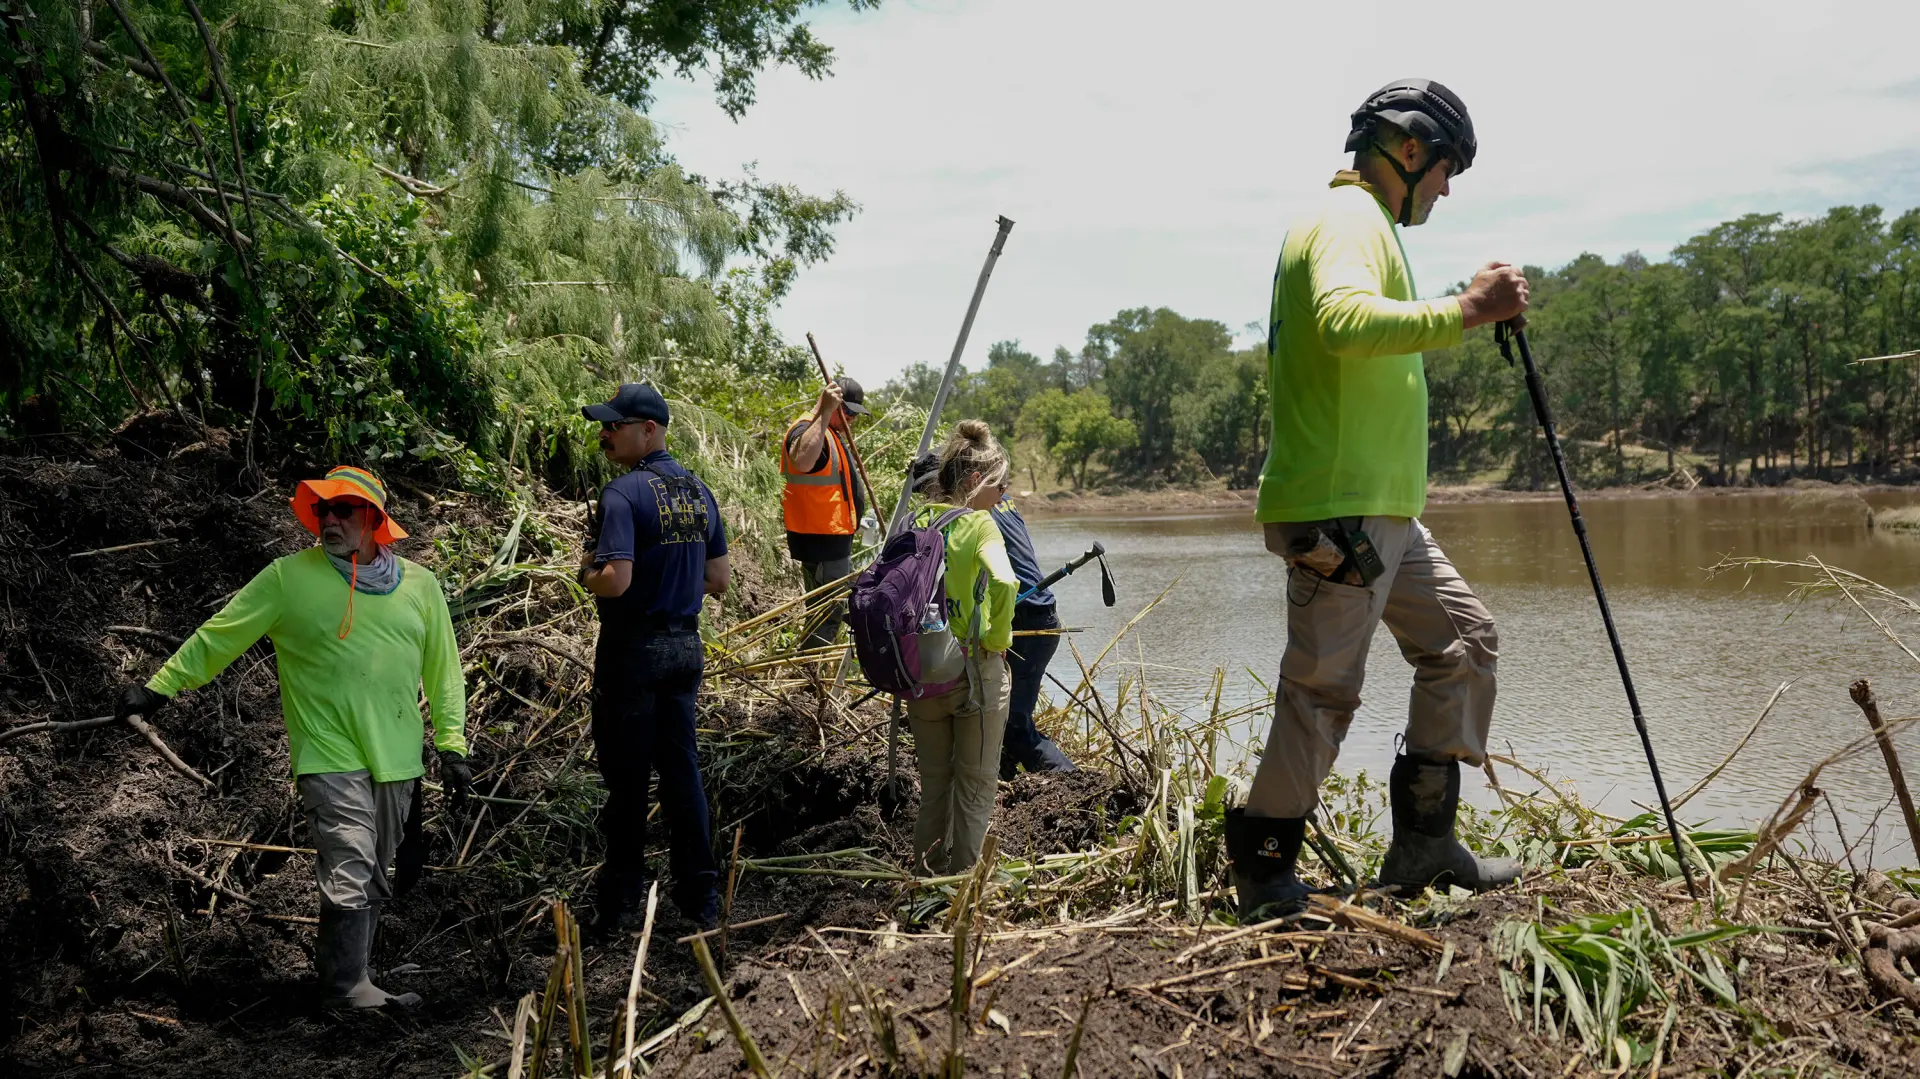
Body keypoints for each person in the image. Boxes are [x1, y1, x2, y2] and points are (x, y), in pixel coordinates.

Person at [1226, 79, 1532, 920]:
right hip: (1343, 512)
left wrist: (1462, 302)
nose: (1447, 189)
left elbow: (1365, 325)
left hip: (1380, 512)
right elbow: (1343, 320)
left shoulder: (1364, 227)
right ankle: (1264, 874)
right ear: (1410, 149)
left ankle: (1425, 843)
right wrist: (1469, 308)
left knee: (1464, 642)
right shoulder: (1350, 219)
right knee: (1322, 691)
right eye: (1446, 170)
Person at [116, 466, 469, 1008]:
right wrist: (159, 687)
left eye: (342, 510)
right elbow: (221, 634)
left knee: (375, 870)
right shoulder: (288, 578)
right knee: (351, 860)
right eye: (323, 510)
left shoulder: (421, 585)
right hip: (327, 751)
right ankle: (346, 991)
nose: (329, 519)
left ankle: (356, 976)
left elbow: (444, 672)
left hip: (397, 757)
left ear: (373, 518)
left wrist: (452, 747)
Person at [578, 383, 730, 937]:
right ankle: (701, 898)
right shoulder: (699, 491)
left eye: (613, 426)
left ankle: (620, 905)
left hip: (634, 650)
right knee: (682, 771)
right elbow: (718, 579)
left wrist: (586, 571)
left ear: (648, 430)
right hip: (686, 648)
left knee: (627, 779)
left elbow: (615, 581)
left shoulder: (622, 494)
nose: (604, 433)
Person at [906, 421, 1018, 875]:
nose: (1003, 495)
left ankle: (926, 878)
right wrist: (997, 640)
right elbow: (1006, 581)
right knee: (974, 787)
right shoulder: (980, 524)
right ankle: (965, 886)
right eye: (999, 485)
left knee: (934, 786)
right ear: (974, 480)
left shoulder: (916, 521)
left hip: (923, 673)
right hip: (973, 673)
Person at [780, 377, 871, 648]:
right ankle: (813, 667)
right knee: (827, 614)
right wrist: (825, 411)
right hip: (820, 541)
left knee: (827, 611)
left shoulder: (828, 431)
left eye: (855, 414)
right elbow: (802, 461)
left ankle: (813, 665)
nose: (852, 419)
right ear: (832, 403)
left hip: (832, 539)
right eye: (848, 411)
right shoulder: (808, 428)